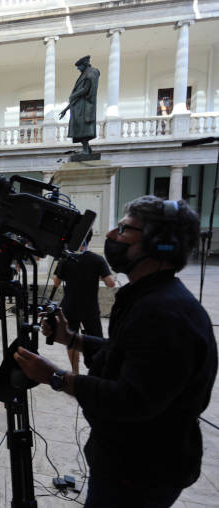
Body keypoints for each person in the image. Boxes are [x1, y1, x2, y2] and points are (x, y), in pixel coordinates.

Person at [14, 196, 217, 508]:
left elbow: (130, 399)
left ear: (159, 244)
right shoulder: (148, 296)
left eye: (123, 230)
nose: (109, 236)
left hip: (141, 469)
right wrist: (72, 339)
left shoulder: (164, 313)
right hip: (126, 456)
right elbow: (125, 353)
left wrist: (54, 376)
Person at [53, 234, 116, 373]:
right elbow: (111, 283)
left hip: (70, 306)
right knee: (96, 341)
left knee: (71, 339)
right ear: (88, 241)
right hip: (90, 308)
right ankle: (96, 371)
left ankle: (75, 372)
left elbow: (56, 282)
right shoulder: (97, 259)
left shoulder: (66, 259)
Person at [58, 55, 100, 155]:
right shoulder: (84, 74)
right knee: (78, 128)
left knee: (82, 129)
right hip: (78, 107)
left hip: (85, 107)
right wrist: (65, 109)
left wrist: (73, 95)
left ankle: (85, 150)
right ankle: (87, 148)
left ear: (84, 64)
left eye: (79, 66)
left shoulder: (92, 72)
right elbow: (75, 98)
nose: (77, 68)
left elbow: (86, 89)